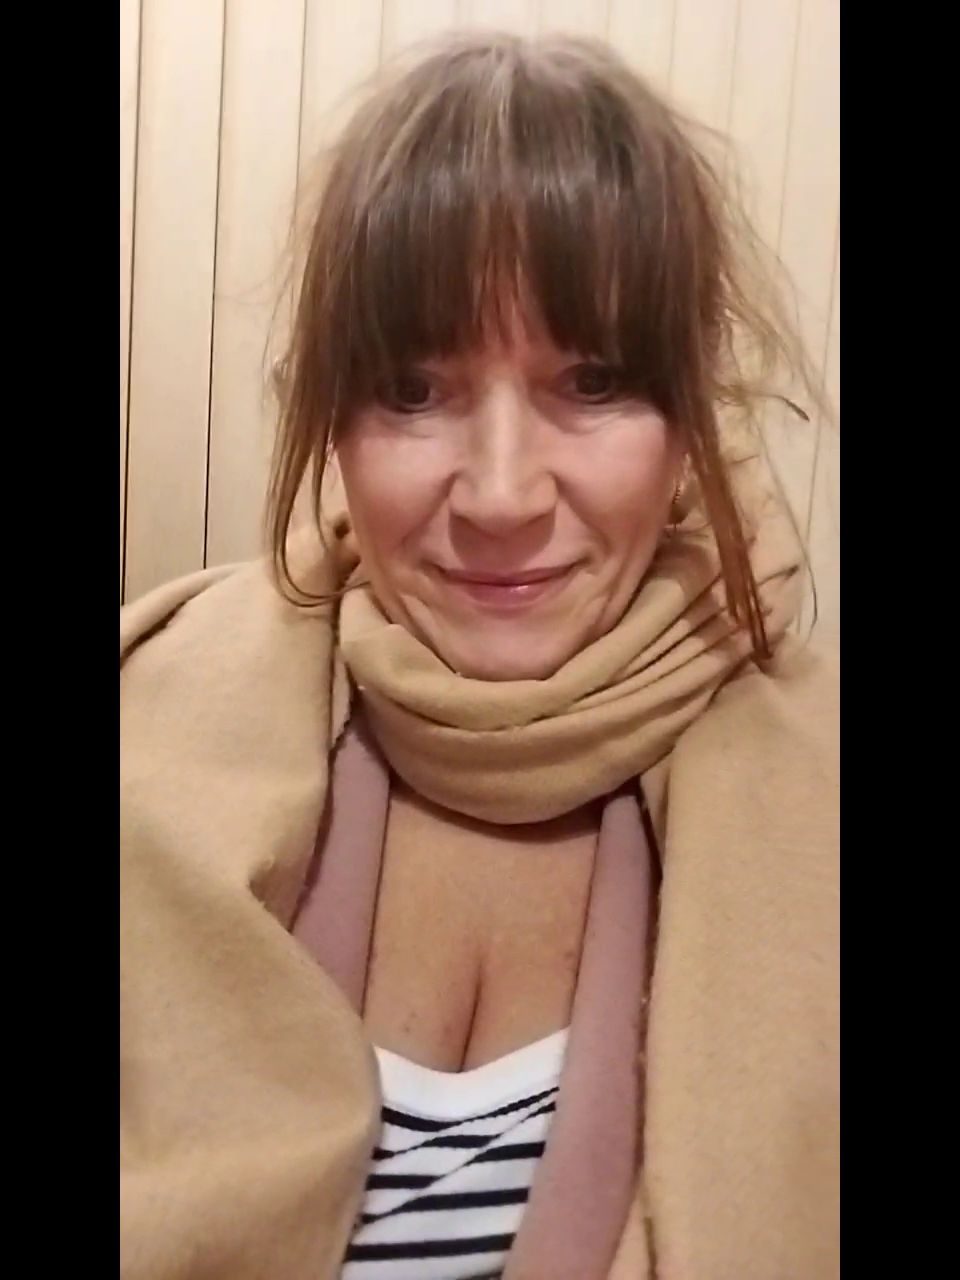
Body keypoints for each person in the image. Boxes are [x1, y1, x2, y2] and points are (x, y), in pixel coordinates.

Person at [120, 33, 838, 1280]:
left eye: (594, 380)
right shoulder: (148, 721)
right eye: (412, 389)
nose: (502, 495)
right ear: (332, 422)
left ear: (688, 418)